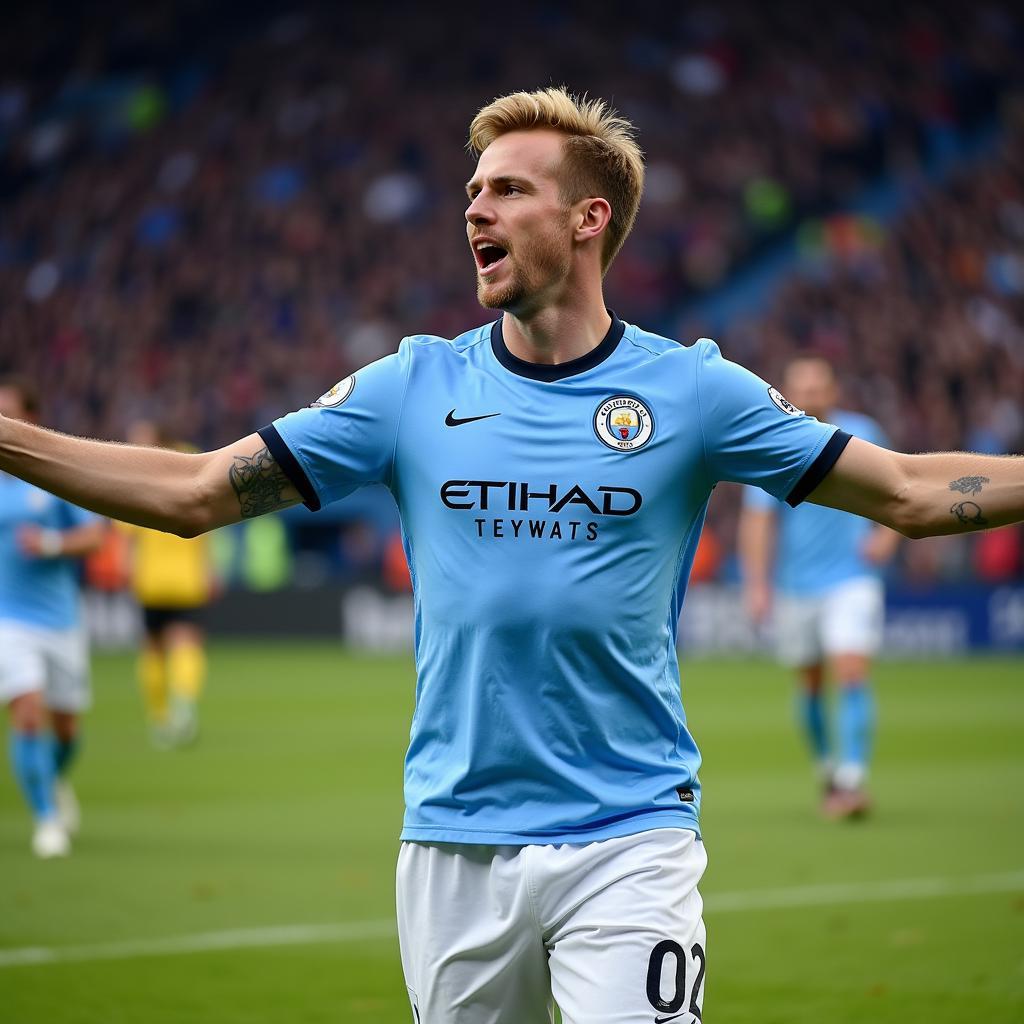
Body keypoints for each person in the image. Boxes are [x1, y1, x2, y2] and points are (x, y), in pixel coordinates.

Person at [0, 88, 1021, 1019]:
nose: (474, 211)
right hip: (451, 842)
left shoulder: (694, 391)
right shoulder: (412, 386)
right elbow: (190, 493)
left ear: (589, 219)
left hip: (628, 834)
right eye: (471, 192)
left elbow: (907, 492)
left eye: (509, 190)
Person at [738, 356, 901, 819]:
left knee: (851, 671)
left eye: (817, 387)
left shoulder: (861, 431)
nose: (809, 396)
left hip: (852, 578)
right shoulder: (773, 441)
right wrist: (756, 584)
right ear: (787, 392)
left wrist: (887, 538)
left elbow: (897, 487)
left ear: (833, 391)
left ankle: (851, 781)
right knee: (809, 685)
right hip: (796, 585)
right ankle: (828, 770)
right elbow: (758, 520)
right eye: (801, 388)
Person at [0, 378, 105, 858]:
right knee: (26, 713)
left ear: (29, 419)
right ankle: (46, 819)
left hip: (60, 618)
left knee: (66, 729)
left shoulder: (51, 475)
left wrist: (50, 544)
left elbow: (94, 535)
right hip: (8, 619)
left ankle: (52, 778)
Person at [119, 421, 215, 748]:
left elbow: (125, 534)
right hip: (186, 578)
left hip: (152, 579)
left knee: (154, 649)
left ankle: (161, 718)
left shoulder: (134, 475)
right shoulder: (190, 461)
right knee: (185, 643)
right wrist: (208, 568)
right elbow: (210, 513)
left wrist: (125, 569)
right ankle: (183, 707)